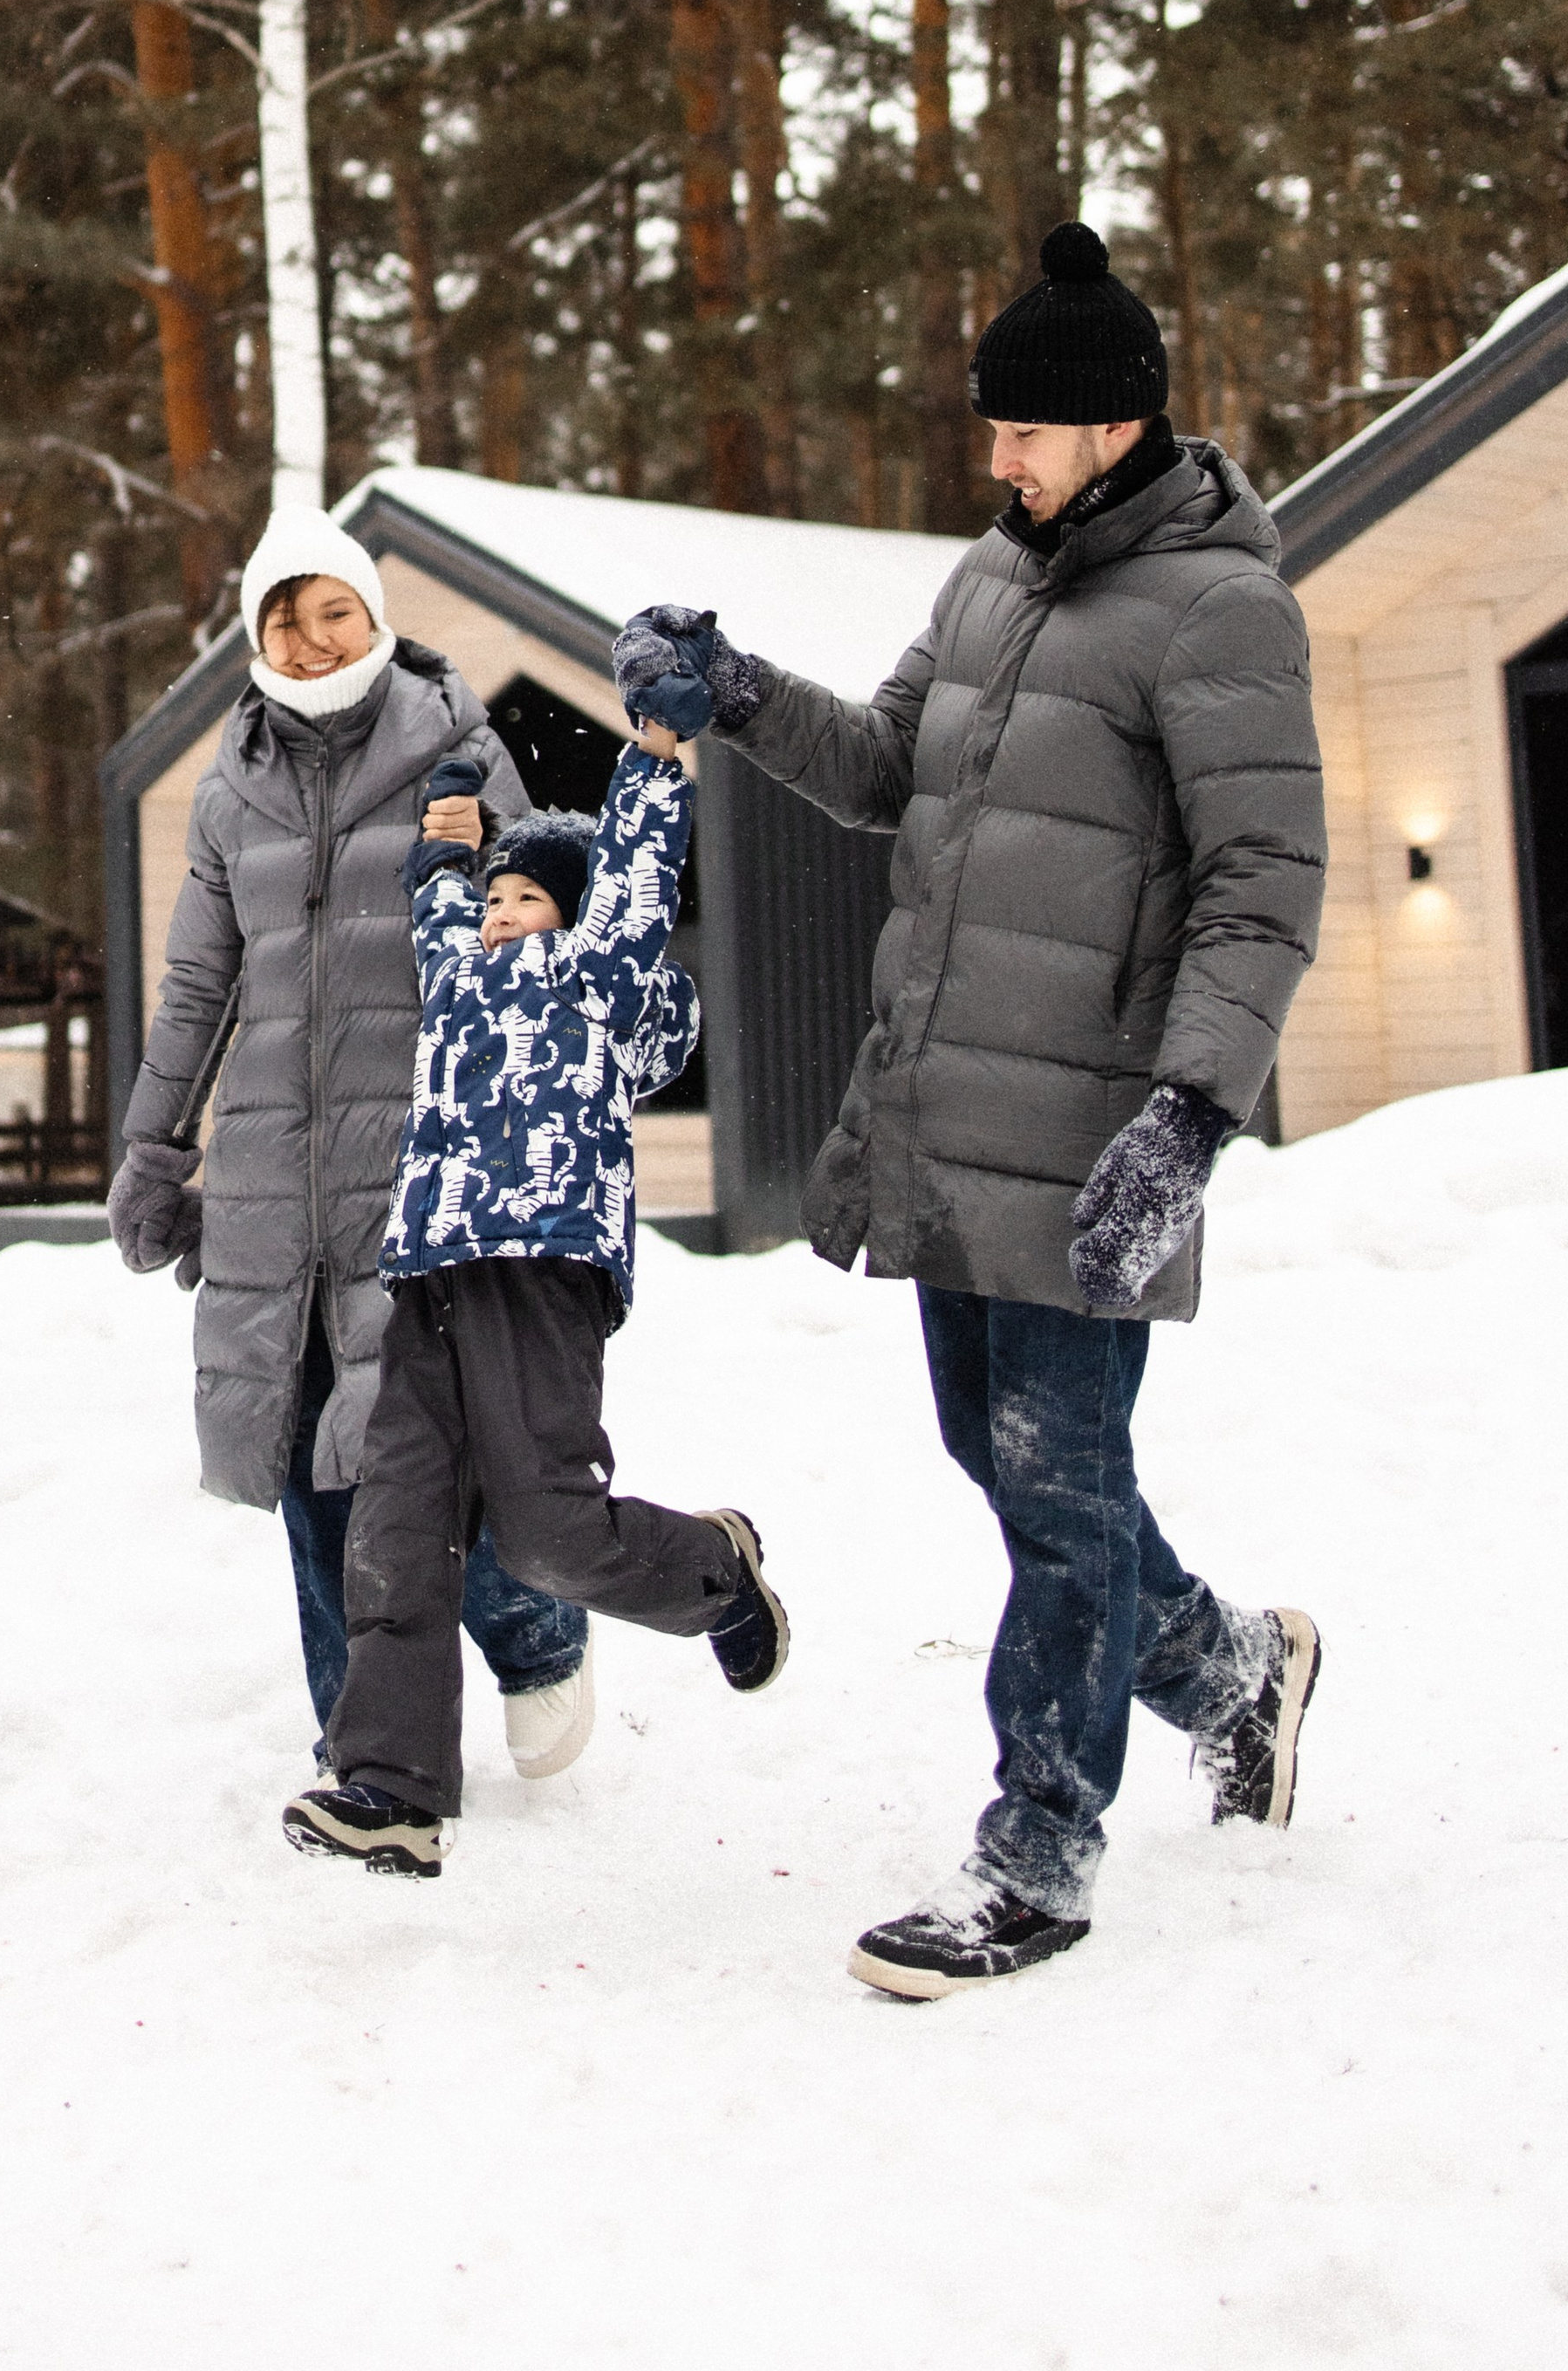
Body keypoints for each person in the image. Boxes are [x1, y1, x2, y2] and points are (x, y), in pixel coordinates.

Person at [612, 222, 1328, 1994]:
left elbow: (1259, 888)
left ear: (1114, 424)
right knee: (1000, 1467)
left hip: (1094, 1129)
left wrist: (1188, 1117)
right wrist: (742, 695)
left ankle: (1036, 1853)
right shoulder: (987, 583)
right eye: (989, 430)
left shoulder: (1222, 608)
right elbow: (881, 770)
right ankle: (1232, 1671)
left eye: (1019, 430)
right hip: (940, 1109)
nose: (991, 458)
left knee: (1060, 1492)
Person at [109, 504, 593, 1779]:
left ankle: (537, 1634)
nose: (314, 641)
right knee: (308, 1457)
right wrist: (155, 1148)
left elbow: (528, 960)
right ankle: (360, 1742)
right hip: (274, 1181)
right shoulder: (230, 793)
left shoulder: (464, 760)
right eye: (287, 618)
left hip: (427, 1170)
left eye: (336, 613)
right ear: (256, 637)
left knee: (439, 1450)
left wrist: (531, 1148)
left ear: (377, 620)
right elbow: (197, 993)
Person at [281, 693, 790, 1881]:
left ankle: (715, 1570)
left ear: (573, 914)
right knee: (397, 1534)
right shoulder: (461, 968)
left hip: (543, 1272)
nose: (505, 915)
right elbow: (437, 893)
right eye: (500, 900)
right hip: (432, 1275)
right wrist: (448, 837)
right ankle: (392, 1789)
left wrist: (656, 759)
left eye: (530, 899)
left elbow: (635, 881)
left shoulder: (595, 973)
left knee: (550, 1536)